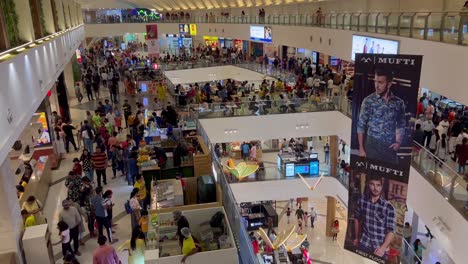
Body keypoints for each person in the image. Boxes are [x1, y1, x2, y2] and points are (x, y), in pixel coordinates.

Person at [357, 68, 406, 164]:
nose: (376, 85)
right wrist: (361, 148)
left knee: (391, 175)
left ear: (389, 84)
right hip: (372, 144)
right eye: (375, 81)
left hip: (390, 146)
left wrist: (398, 142)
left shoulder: (399, 103)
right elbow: (361, 125)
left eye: (380, 82)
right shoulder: (368, 101)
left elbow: (401, 124)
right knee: (373, 176)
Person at [353, 174, 395, 258]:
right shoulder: (362, 200)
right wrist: (357, 238)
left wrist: (382, 248)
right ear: (368, 184)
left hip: (380, 248)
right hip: (364, 243)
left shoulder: (388, 207)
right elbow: (356, 218)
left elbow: (391, 231)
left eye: (378, 185)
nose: (375, 188)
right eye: (372, 184)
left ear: (382, 186)